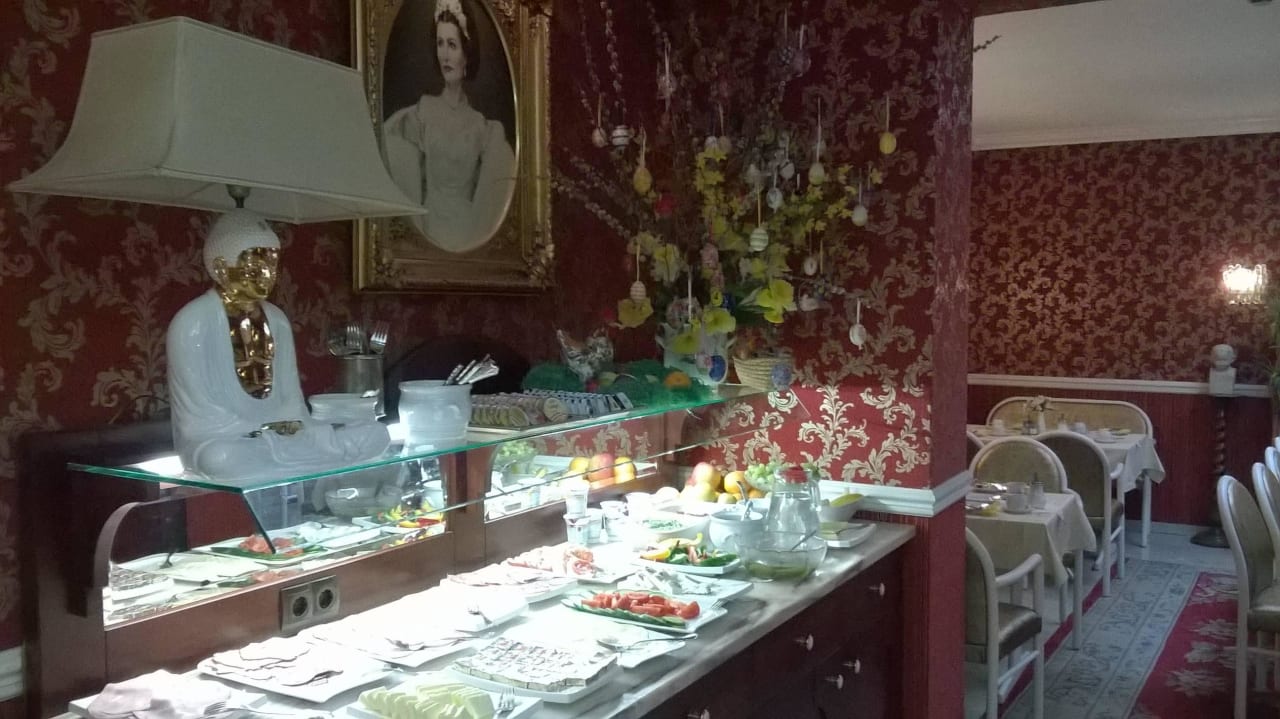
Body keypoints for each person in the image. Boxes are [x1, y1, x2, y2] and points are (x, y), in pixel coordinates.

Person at [167, 209, 390, 482]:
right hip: (228, 438)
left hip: (283, 435)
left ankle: (298, 463)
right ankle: (305, 464)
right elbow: (199, 414)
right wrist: (263, 430)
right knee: (219, 459)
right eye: (255, 267)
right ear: (222, 268)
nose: (267, 275)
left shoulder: (277, 319)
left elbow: (291, 398)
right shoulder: (192, 321)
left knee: (376, 434)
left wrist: (292, 426)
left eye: (272, 266)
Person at [383, 0, 516, 254]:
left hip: (468, 234)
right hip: (429, 229)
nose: (444, 55)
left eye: (452, 45)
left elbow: (494, 184)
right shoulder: (423, 111)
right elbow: (402, 166)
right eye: (440, 43)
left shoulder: (481, 127)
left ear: (467, 54)